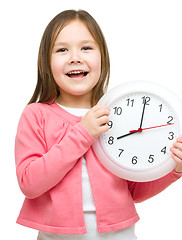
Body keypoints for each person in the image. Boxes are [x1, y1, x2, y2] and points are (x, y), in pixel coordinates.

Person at [15, 9, 182, 240]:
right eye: (62, 49)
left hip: (119, 234)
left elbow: (133, 191)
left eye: (86, 48)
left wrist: (173, 170)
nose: (75, 57)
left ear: (102, 56)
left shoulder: (119, 113)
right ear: (46, 61)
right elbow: (29, 183)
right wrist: (84, 132)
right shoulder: (36, 115)